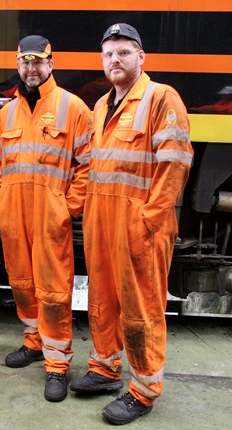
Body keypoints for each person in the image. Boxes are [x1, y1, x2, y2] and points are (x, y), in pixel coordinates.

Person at [69, 23, 193, 425]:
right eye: (108, 54)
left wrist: (149, 221)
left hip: (141, 226)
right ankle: (105, 369)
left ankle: (143, 389)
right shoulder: (102, 105)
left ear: (141, 57)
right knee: (102, 300)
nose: (115, 60)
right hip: (102, 224)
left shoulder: (160, 98)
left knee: (141, 309)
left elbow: (174, 165)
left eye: (123, 52)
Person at [0, 35, 92, 402]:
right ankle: (33, 342)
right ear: (18, 64)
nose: (31, 69)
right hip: (14, 214)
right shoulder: (7, 112)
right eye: (24, 62)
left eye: (38, 62)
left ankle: (57, 365)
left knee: (53, 291)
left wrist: (69, 208)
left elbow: (87, 164)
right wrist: (0, 200)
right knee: (20, 282)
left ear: (51, 63)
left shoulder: (73, 108)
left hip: (51, 216)